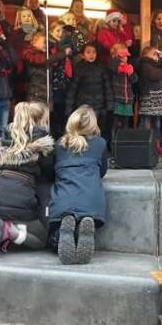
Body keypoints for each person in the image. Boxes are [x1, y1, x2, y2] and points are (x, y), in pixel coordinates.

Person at [0, 102, 54, 257]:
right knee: (40, 239)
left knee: (0, 219)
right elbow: (49, 171)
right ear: (40, 120)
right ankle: (9, 231)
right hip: (21, 198)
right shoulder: (42, 143)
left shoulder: (4, 140)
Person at [48, 106, 109, 265]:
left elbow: (51, 172)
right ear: (93, 124)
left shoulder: (59, 145)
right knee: (85, 220)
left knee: (56, 235)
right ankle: (85, 226)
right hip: (92, 201)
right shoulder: (100, 143)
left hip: (63, 200)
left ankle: (62, 233)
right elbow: (102, 171)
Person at [65, 43, 113, 138]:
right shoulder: (79, 68)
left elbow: (107, 88)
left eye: (94, 52)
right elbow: (73, 89)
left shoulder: (102, 67)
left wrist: (110, 106)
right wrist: (68, 109)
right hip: (84, 106)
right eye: (88, 52)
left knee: (97, 131)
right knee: (84, 130)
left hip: (99, 105)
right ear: (83, 55)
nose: (91, 55)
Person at [137, 46, 162, 156]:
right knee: (145, 122)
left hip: (158, 97)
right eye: (154, 54)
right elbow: (154, 75)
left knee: (157, 123)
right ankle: (143, 144)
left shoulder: (157, 64)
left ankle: (156, 145)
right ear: (146, 55)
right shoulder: (144, 64)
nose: (156, 56)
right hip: (149, 97)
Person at [109, 43, 137, 132]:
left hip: (127, 100)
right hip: (117, 99)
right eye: (121, 56)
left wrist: (131, 73)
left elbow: (135, 80)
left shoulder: (129, 66)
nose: (124, 58)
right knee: (115, 122)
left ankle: (123, 139)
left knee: (125, 123)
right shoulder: (113, 64)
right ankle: (114, 139)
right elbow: (113, 64)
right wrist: (120, 63)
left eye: (126, 56)